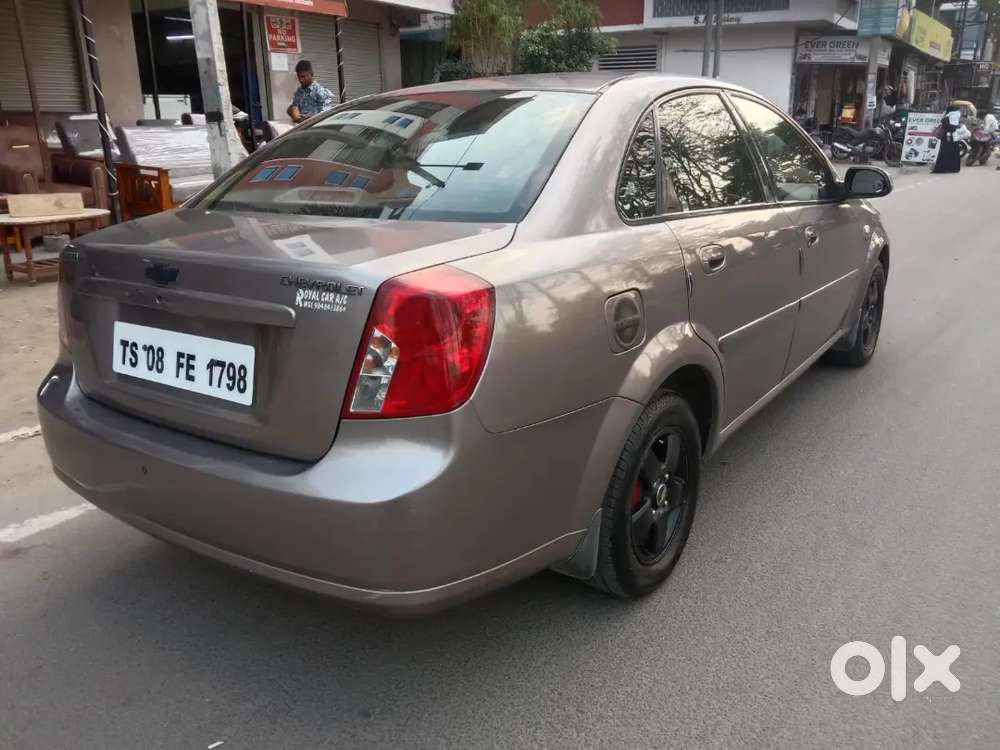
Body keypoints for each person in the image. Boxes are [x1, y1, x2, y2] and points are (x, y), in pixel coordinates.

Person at [932, 105, 962, 174]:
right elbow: (955, 127)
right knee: (953, 152)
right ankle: (952, 168)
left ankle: (942, 168)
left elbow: (947, 125)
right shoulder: (954, 117)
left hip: (947, 137)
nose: (958, 112)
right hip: (953, 137)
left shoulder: (947, 117)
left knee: (944, 152)